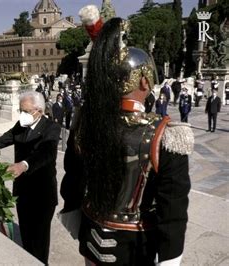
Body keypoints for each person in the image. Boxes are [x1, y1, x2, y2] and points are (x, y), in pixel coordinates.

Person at [60, 15, 193, 265]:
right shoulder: (166, 134)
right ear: (145, 81)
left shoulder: (85, 122)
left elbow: (72, 179)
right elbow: (172, 208)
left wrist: (76, 218)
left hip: (91, 233)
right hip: (134, 246)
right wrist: (170, 258)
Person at [0, 91, 60, 264]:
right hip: (23, 193)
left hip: (42, 195)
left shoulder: (51, 127)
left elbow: (46, 153)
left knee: (39, 241)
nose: (22, 114)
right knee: (27, 237)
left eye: (26, 111)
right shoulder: (20, 125)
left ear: (39, 110)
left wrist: (23, 165)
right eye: (20, 110)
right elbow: (2, 140)